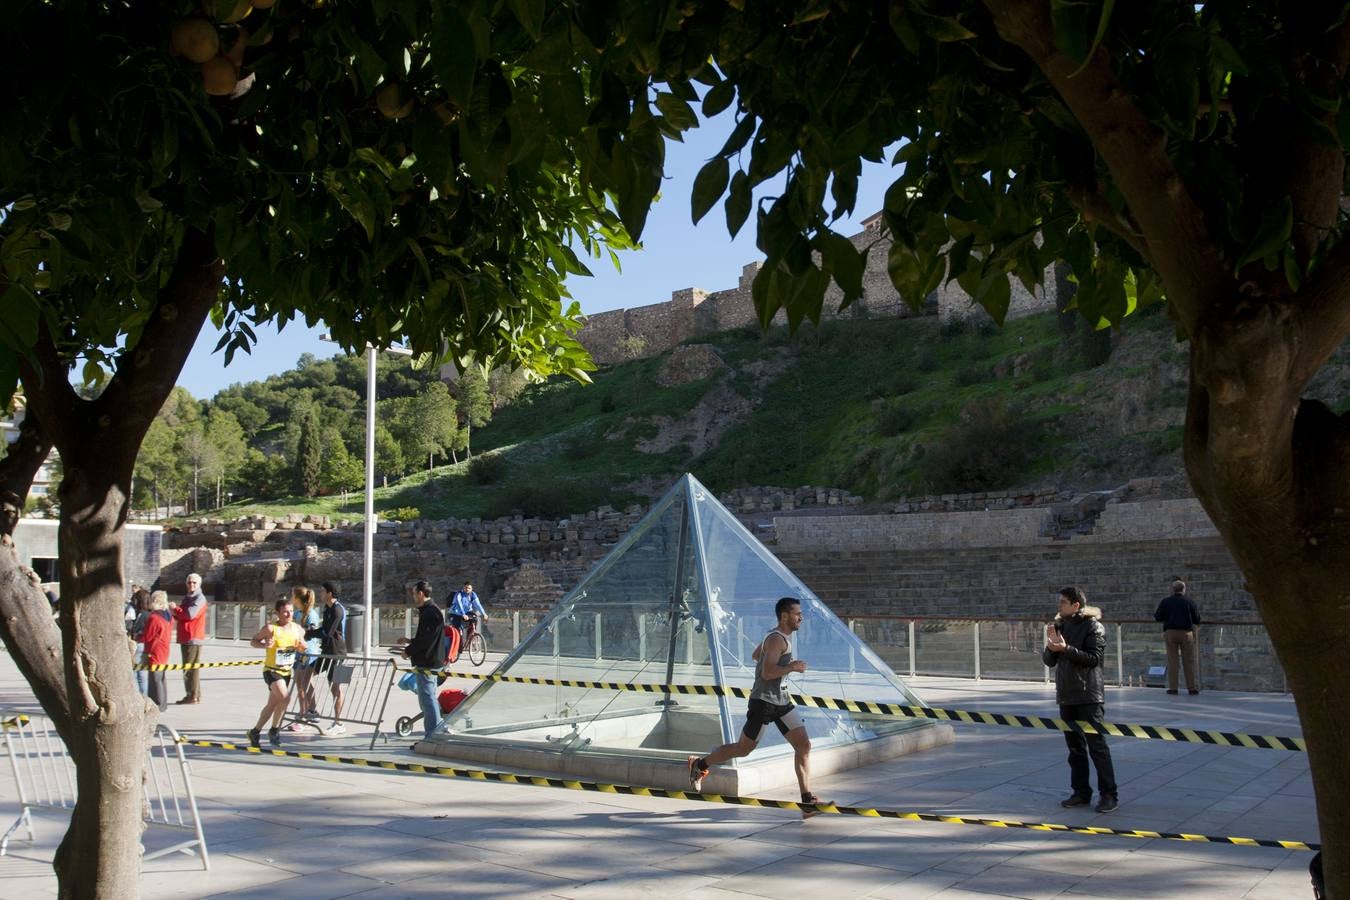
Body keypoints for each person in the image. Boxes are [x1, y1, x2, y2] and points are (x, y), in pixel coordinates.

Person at [686, 597, 829, 817]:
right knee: (744, 749)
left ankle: (807, 801)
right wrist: (790, 667)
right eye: (797, 614)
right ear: (784, 616)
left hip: (781, 701)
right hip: (763, 703)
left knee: (804, 745)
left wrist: (773, 659)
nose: (801, 617)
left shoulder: (775, 637)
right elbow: (767, 672)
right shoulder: (776, 639)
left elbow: (756, 656)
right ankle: (700, 764)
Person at [1043, 586, 1118, 813]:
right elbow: (1049, 661)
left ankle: (1109, 795)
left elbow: (1094, 659)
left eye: (1063, 602)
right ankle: (1080, 792)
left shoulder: (1093, 626)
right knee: (1075, 748)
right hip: (1067, 695)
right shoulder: (1060, 625)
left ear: (1076, 605)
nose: (1059, 605)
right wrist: (1051, 647)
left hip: (1088, 695)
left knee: (1097, 746)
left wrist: (1066, 649)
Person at [248, 597, 305, 749]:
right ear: (278, 613)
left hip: (286, 672)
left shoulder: (297, 629)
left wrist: (301, 647)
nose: (289, 615)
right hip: (272, 671)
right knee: (285, 698)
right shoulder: (271, 629)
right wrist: (264, 644)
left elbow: (302, 645)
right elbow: (253, 641)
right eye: (285, 612)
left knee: (272, 705)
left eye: (291, 611)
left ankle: (255, 731)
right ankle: (274, 730)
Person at [397, 580, 446, 739]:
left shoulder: (430, 612)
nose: (412, 595)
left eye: (414, 592)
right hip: (429, 661)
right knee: (427, 698)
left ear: (421, 593)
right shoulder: (429, 611)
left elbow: (427, 640)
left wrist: (408, 651)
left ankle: (432, 735)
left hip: (428, 663)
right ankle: (435, 732)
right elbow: (426, 637)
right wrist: (411, 641)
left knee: (428, 699)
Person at [309, 582, 349, 734]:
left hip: (338, 653)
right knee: (308, 674)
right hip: (326, 651)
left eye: (322, 591)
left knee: (336, 687)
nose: (320, 593)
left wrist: (311, 633)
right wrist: (311, 632)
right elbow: (323, 630)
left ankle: (339, 722)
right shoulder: (327, 609)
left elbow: (328, 632)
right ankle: (311, 710)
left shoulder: (338, 610)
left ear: (330, 593)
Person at [1154, 578, 1202, 695]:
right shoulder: (1189, 602)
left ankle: (1173, 688)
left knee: (1173, 661)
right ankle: (1191, 687)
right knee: (1188, 661)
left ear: (1173, 590)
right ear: (1183, 589)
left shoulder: (1166, 601)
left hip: (1170, 632)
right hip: (1186, 633)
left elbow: (1158, 617)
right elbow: (1197, 619)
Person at [169, 573, 208, 704]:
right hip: (186, 636)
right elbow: (182, 615)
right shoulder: (188, 597)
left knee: (191, 668)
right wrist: (175, 612)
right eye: (189, 582)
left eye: (194, 583)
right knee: (188, 667)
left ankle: (193, 695)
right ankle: (192, 694)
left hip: (193, 637)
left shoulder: (199, 599)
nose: (191, 585)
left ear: (199, 584)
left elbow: (190, 614)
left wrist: (176, 609)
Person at [288, 586, 322, 731]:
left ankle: (304, 716)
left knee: (303, 685)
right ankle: (311, 711)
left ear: (297, 598)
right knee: (301, 685)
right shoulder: (296, 613)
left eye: (292, 595)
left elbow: (311, 633)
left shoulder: (311, 615)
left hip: (308, 653)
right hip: (298, 653)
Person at [138, 591, 173, 712]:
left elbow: (148, 636)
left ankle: (157, 704)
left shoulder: (154, 617)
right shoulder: (168, 615)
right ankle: (163, 703)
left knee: (155, 679)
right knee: (162, 678)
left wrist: (137, 637)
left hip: (155, 650)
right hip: (164, 649)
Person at [126, 587, 151, 696]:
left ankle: (140, 697)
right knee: (142, 674)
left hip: (139, 644)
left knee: (137, 674)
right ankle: (143, 697)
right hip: (144, 644)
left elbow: (134, 628)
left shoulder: (142, 614)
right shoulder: (150, 613)